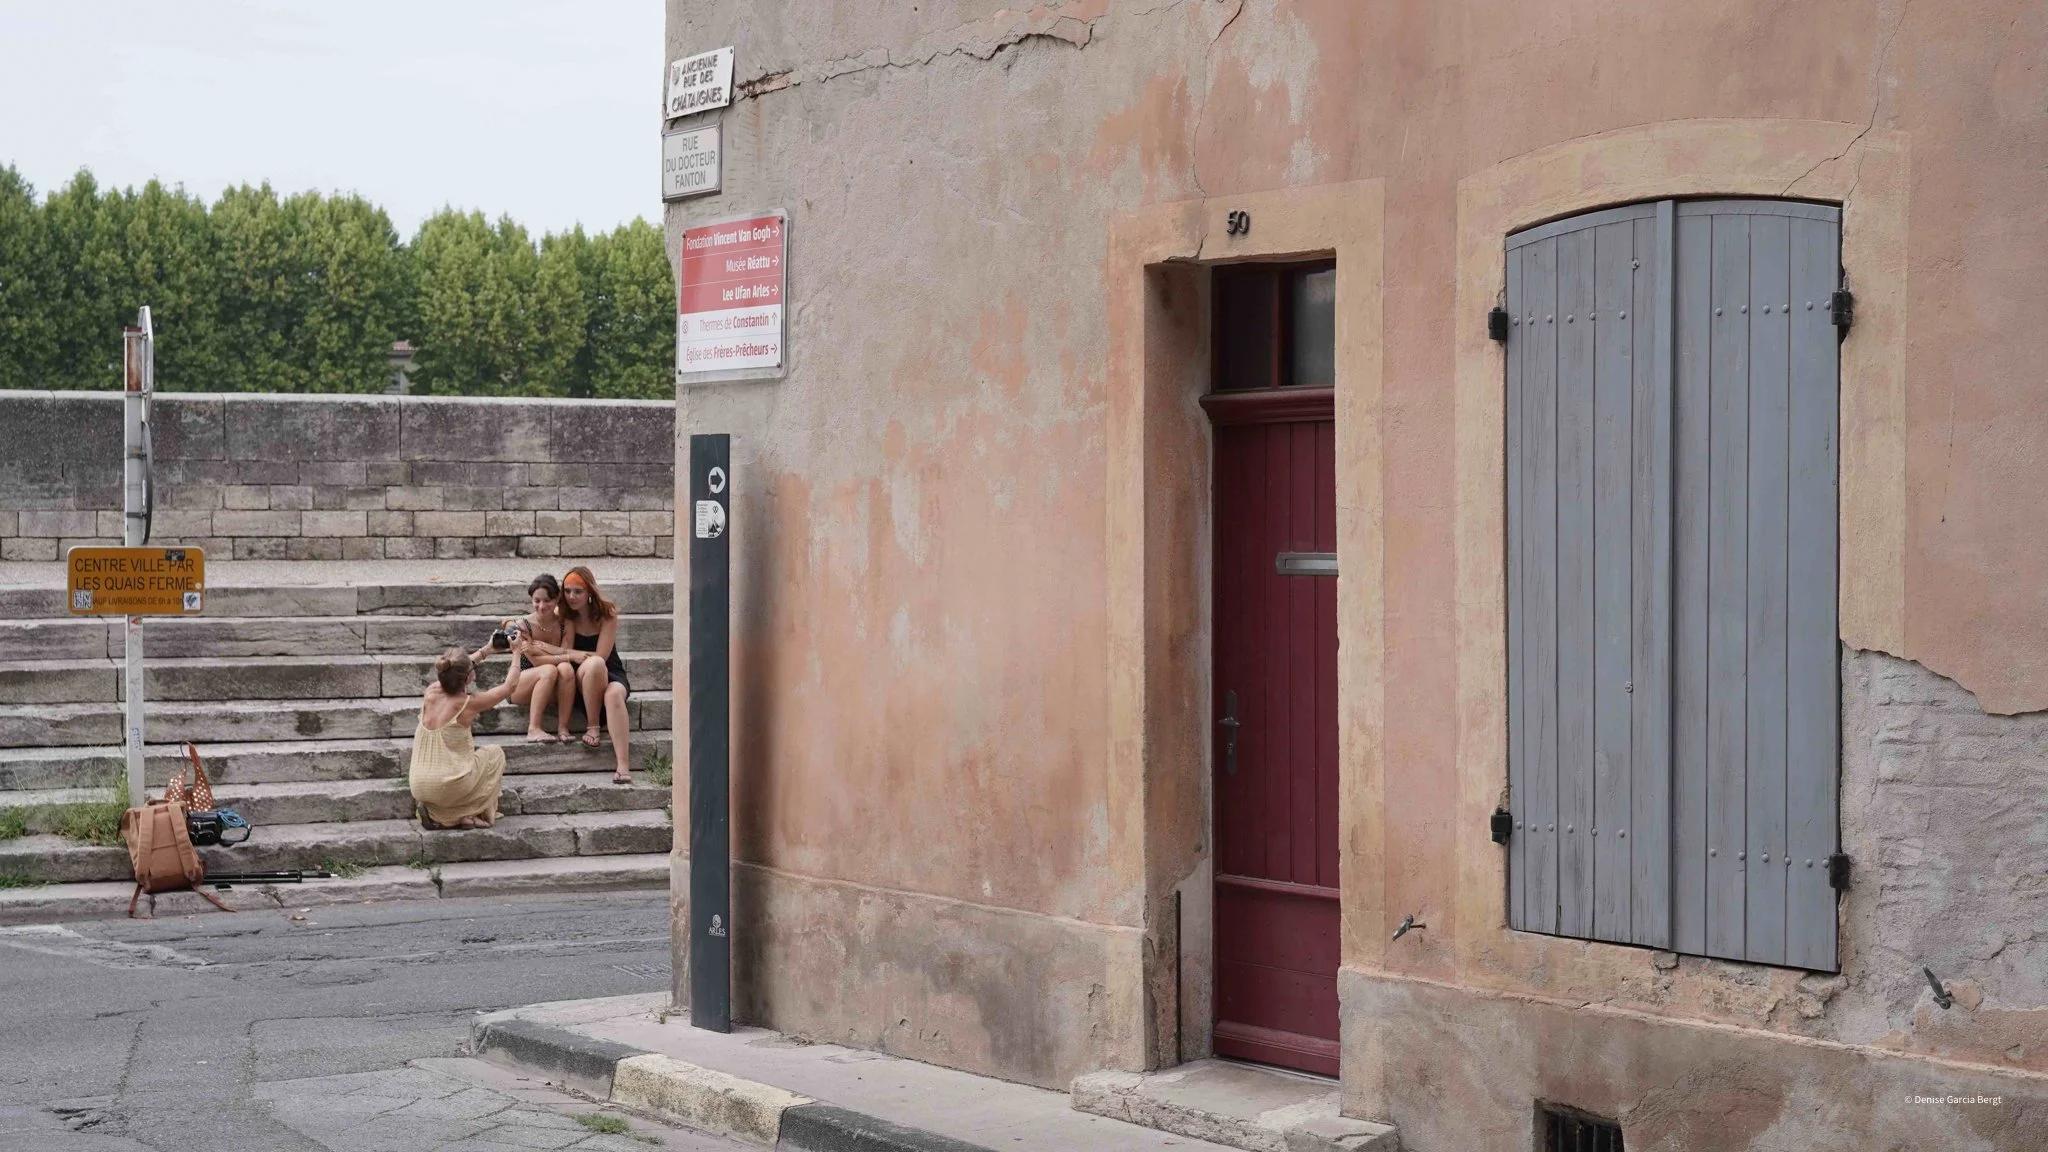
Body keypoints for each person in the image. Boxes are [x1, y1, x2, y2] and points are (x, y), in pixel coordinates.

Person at [409, 643, 522, 829]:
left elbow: (453, 670)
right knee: (495, 754)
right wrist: (518, 652)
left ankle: (439, 813)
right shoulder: (467, 704)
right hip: (447, 784)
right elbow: (510, 686)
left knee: (455, 777)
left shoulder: (430, 692)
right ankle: (457, 816)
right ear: (468, 677)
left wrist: (487, 649)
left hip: (418, 785)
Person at [557, 566, 633, 783]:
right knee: (594, 665)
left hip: (611, 672)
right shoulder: (564, 615)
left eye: (578, 591)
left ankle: (623, 765)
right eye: (567, 590)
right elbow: (535, 616)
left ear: (589, 591)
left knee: (612, 692)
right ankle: (593, 726)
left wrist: (571, 653)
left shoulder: (607, 614)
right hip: (581, 679)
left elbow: (601, 655)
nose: (572, 597)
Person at [501, 574, 578, 743]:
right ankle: (534, 728)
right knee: (550, 669)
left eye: (547, 601)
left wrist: (550, 653)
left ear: (557, 598)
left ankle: (563, 727)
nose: (541, 606)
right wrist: (563, 656)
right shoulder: (522, 626)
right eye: (536, 601)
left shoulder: (566, 624)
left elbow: (567, 659)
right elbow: (536, 662)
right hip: (520, 685)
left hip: (552, 687)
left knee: (566, 668)